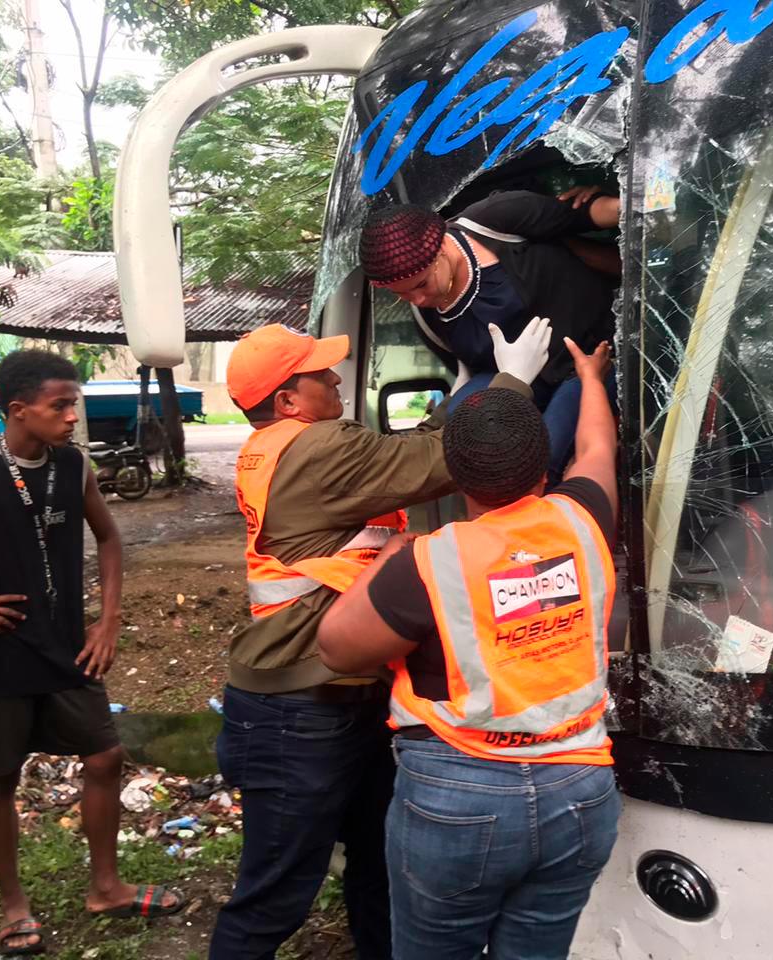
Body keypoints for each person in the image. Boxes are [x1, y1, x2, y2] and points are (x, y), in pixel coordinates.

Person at [209, 319, 551, 960]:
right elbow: (440, 461)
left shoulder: (283, 446)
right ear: (288, 400)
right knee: (274, 897)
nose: (335, 376)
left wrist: (464, 393)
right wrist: (511, 388)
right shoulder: (317, 449)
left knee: (377, 863)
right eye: (319, 373)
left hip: (335, 692)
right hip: (299, 708)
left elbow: (403, 453)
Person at [318, 335, 621, 960]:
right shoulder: (583, 517)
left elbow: (337, 647)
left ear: (455, 475)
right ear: (545, 466)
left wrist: (387, 558)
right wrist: (591, 377)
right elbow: (596, 446)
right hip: (581, 796)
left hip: (460, 803)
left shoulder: (428, 565)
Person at [0, 350, 181, 957]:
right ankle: (13, 906)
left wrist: (108, 619)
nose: (73, 415)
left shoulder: (73, 466)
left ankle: (106, 886)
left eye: (73, 403)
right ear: (18, 410)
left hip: (65, 649)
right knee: (1, 777)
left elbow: (107, 535)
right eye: (62, 405)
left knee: (104, 758)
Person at [359, 187, 620, 485]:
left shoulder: (494, 220)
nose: (416, 300)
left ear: (441, 248)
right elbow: (469, 370)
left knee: (544, 461)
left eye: (421, 284)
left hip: (589, 356)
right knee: (464, 432)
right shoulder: (427, 316)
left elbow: (582, 216)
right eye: (401, 295)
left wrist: (639, 201)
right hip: (522, 381)